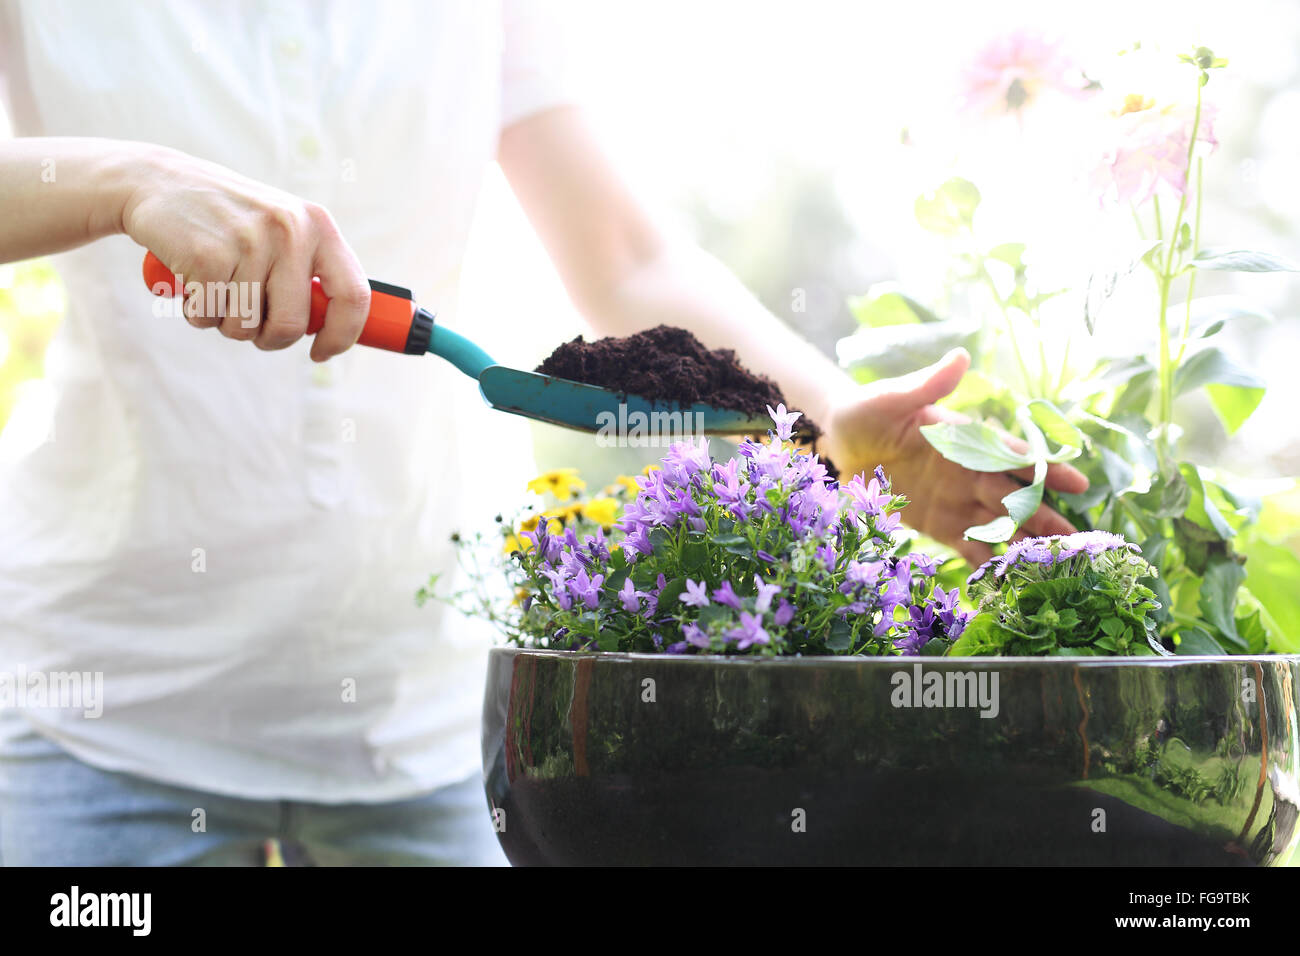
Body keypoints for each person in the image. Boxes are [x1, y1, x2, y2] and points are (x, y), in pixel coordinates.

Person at [0, 0, 1087, 866]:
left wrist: (828, 429)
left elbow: (627, 260)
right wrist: (126, 181)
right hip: (105, 716)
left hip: (429, 718)